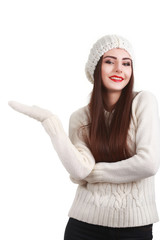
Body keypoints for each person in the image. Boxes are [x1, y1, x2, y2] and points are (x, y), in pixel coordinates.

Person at [8, 34, 160, 240]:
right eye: (109, 61)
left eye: (126, 63)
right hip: (83, 225)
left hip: (134, 228)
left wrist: (95, 174)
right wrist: (52, 124)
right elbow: (80, 170)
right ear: (96, 69)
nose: (119, 69)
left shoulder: (144, 101)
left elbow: (148, 164)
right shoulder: (80, 117)